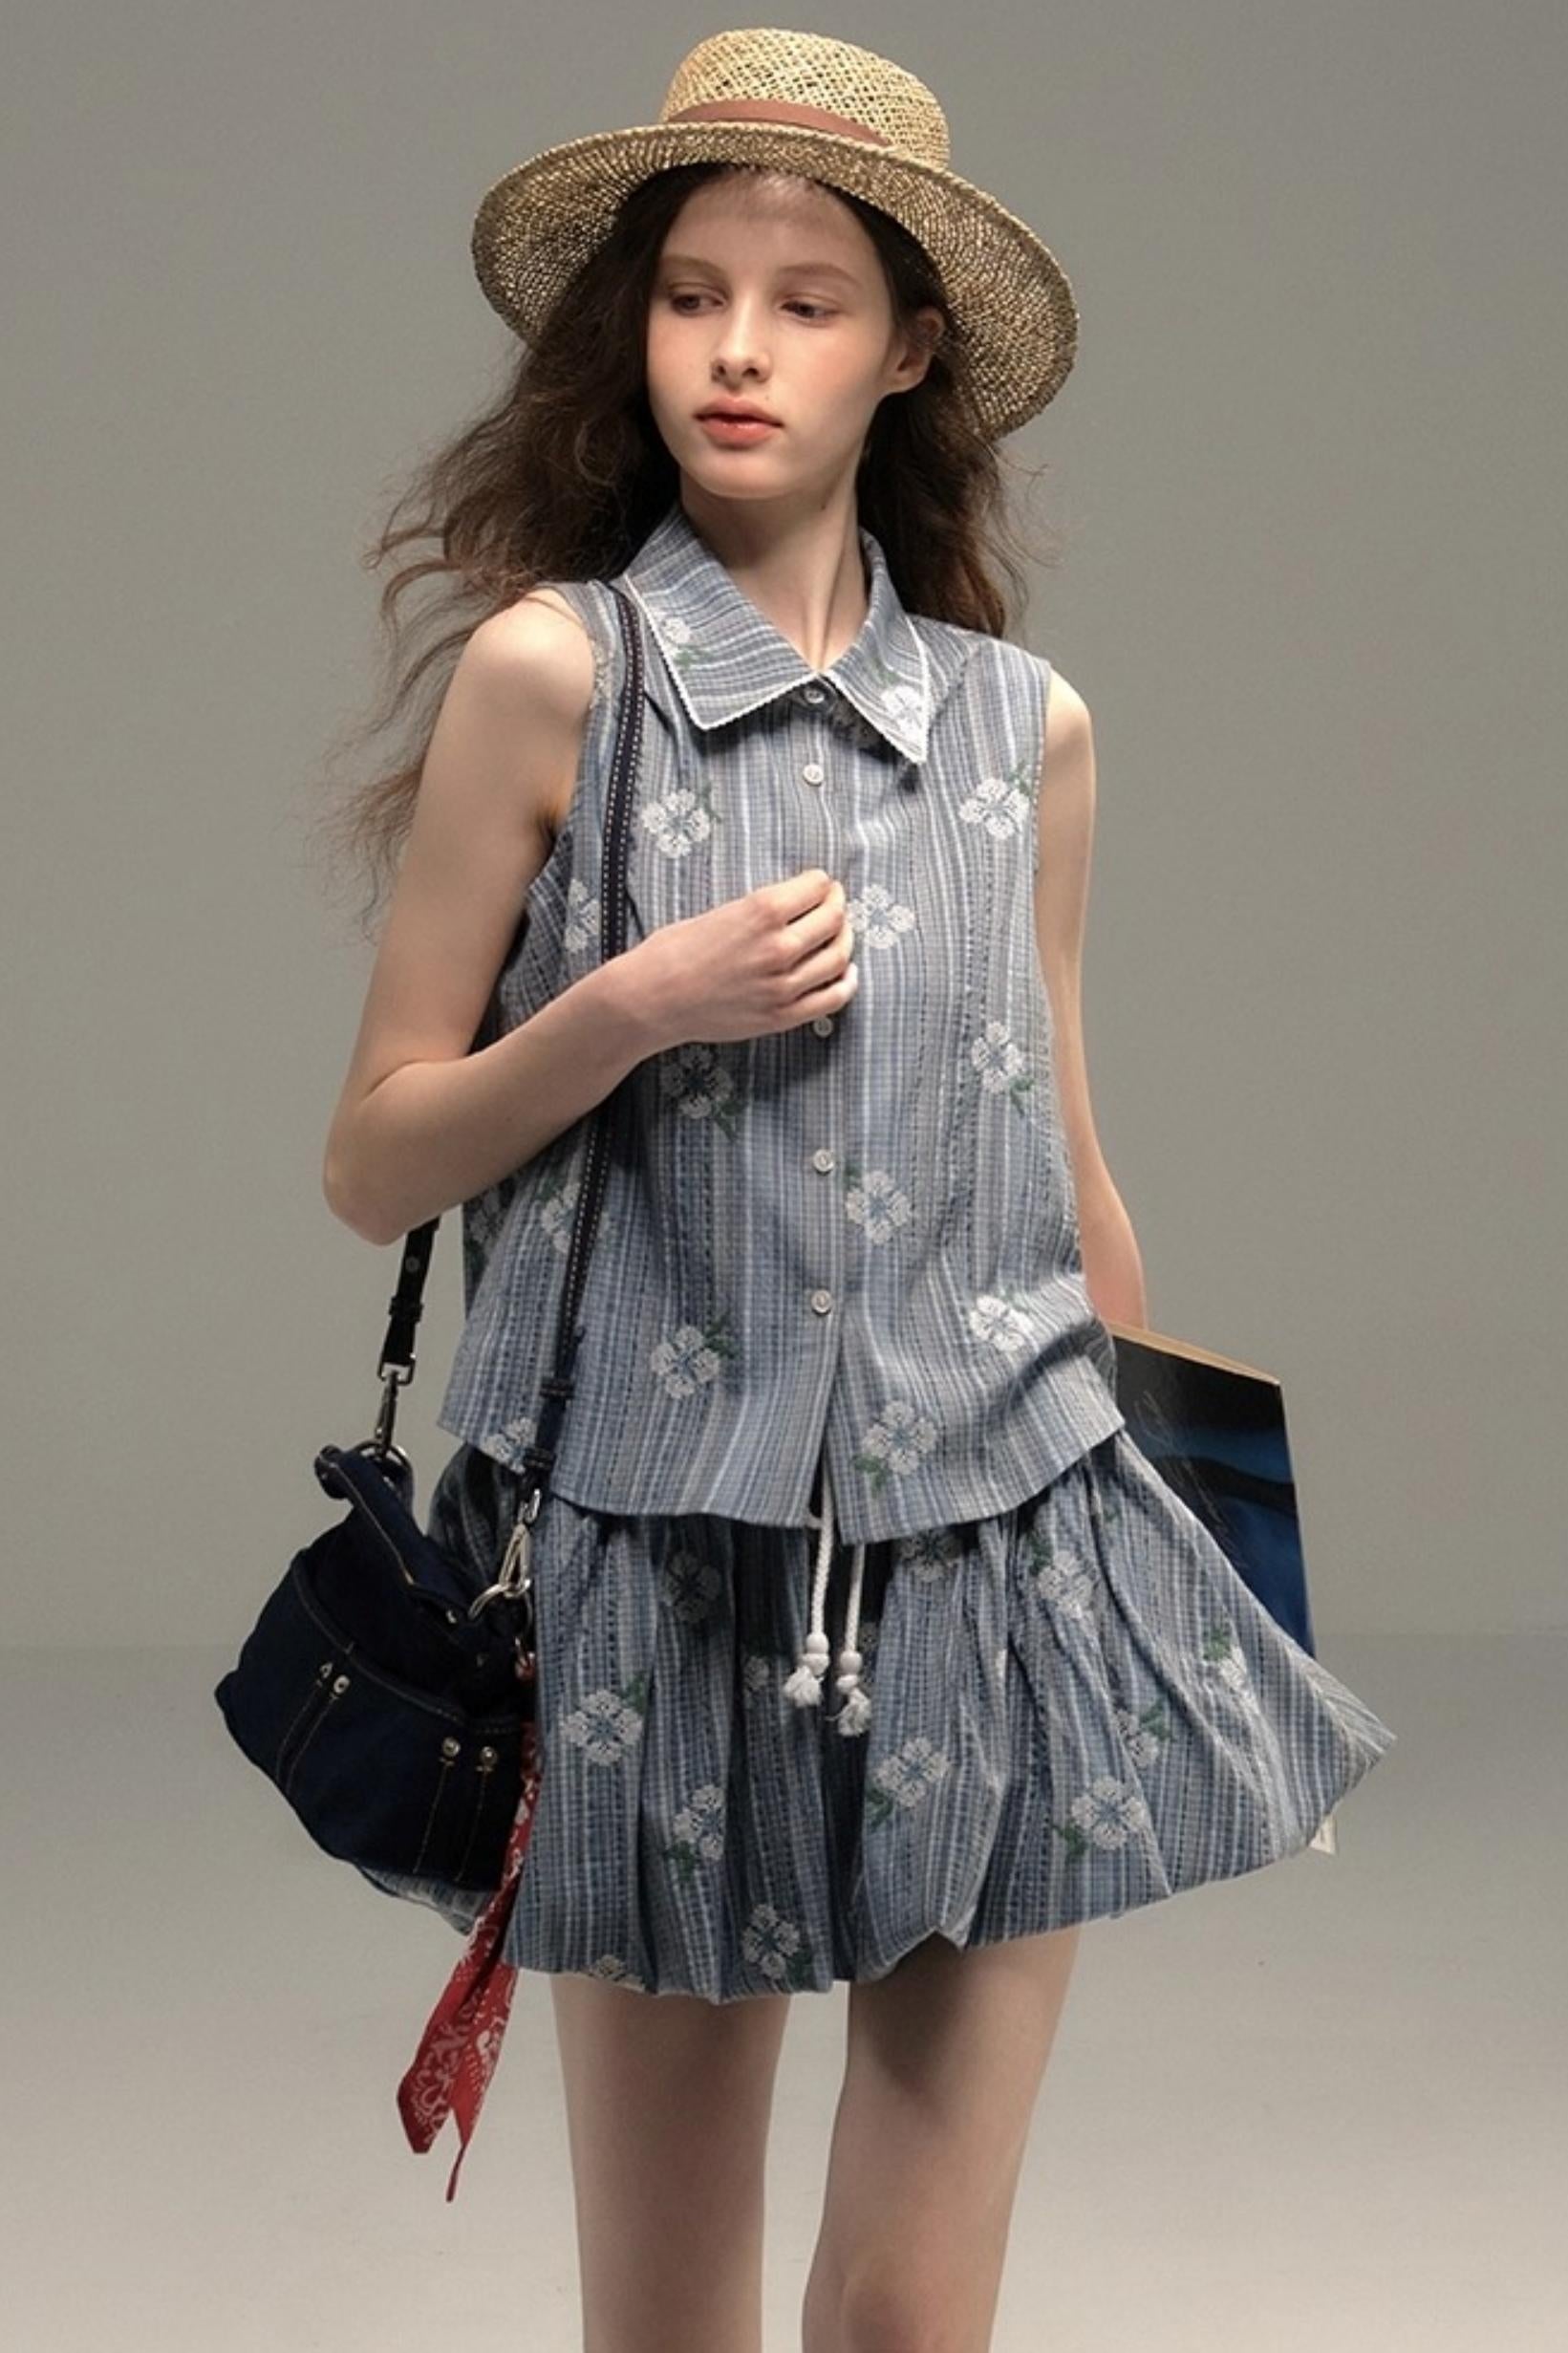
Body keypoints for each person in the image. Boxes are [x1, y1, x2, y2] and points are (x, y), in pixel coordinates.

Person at [318, 28, 1397, 2351]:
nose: (734, 348)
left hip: (1003, 1556)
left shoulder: (1027, 729)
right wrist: (627, 1006)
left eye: (802, 302)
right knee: (671, 2323)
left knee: (912, 2313)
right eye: (689, 293)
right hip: (658, 1577)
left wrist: (1195, 1578)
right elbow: (372, 1154)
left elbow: (1061, 1165)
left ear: (904, 350)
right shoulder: (555, 677)